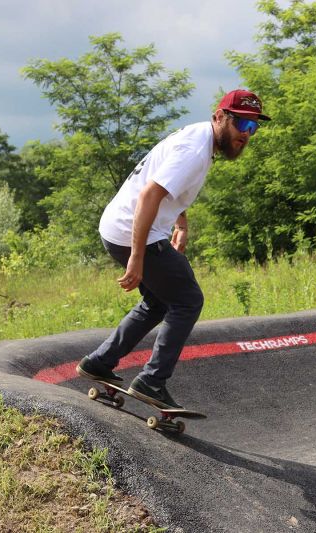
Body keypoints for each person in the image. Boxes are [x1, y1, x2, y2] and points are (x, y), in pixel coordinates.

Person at [76, 89, 270, 409]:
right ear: (219, 117)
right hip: (134, 232)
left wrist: (181, 222)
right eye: (241, 125)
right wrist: (137, 257)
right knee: (188, 300)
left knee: (159, 301)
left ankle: (100, 362)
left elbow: (167, 186)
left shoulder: (199, 139)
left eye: (253, 128)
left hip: (119, 228)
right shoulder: (194, 151)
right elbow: (149, 196)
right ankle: (152, 381)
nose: (246, 135)